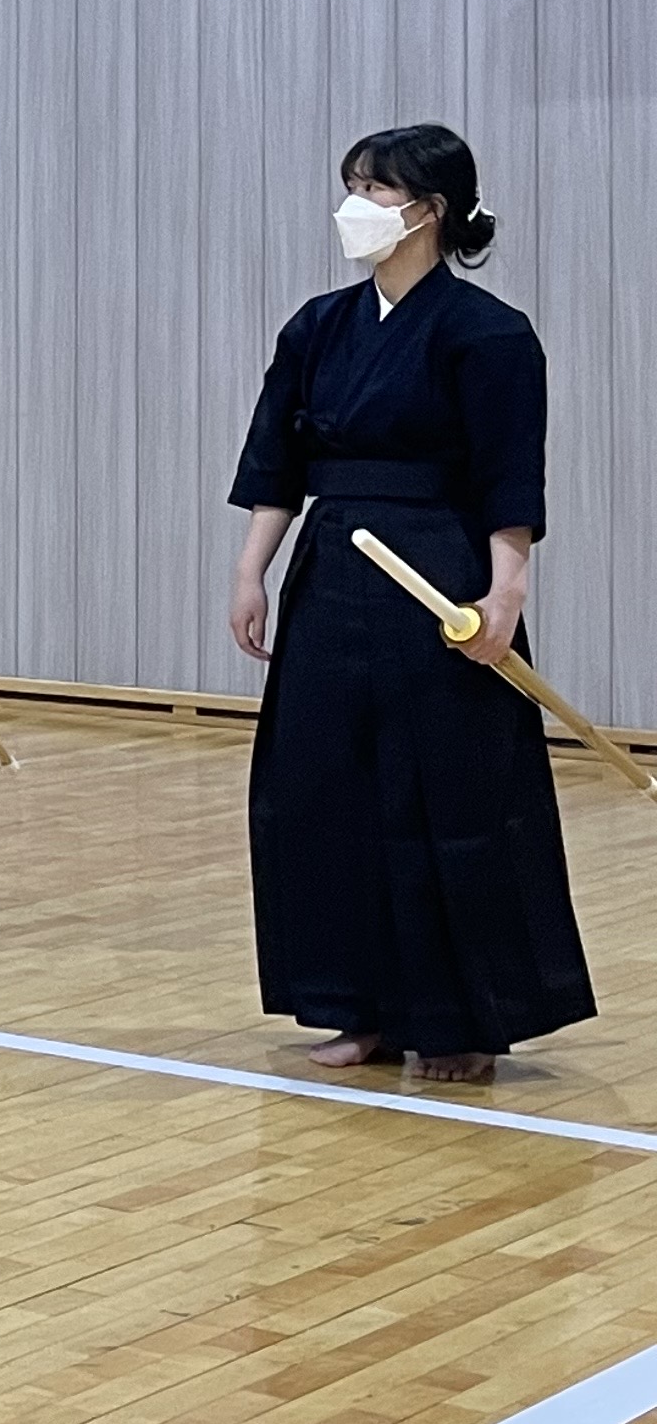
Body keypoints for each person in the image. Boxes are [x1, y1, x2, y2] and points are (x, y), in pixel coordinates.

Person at [227, 124, 591, 1085]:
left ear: (428, 211)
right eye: (351, 185)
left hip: (439, 571)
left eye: (374, 190)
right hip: (332, 569)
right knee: (324, 784)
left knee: (449, 789)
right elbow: (276, 464)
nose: (354, 206)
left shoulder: (488, 333)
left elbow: (509, 477)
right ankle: (355, 1007)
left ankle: (460, 1016)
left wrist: (505, 590)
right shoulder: (317, 326)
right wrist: (251, 572)